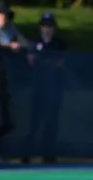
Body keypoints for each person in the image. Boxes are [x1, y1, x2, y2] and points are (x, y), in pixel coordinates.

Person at [23, 13, 68, 162]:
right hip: (38, 88)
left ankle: (48, 154)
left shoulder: (59, 44)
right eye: (44, 26)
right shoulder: (34, 43)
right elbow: (31, 61)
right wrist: (46, 63)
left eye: (50, 26)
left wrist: (44, 62)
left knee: (51, 122)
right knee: (34, 122)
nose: (47, 29)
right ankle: (26, 154)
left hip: (54, 88)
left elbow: (60, 63)